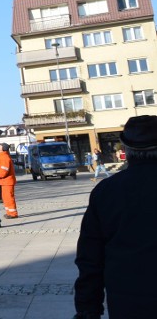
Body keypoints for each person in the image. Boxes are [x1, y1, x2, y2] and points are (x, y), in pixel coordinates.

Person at [74, 115, 157, 318]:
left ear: (126, 151)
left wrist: (87, 309)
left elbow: (90, 255)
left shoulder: (107, 191)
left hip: (130, 299)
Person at [0, 143, 18, 219]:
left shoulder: (4, 157)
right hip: (5, 181)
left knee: (9, 197)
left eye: (0, 146)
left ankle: (13, 213)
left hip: (7, 181)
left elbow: (3, 171)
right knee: (6, 198)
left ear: (3, 148)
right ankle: (9, 212)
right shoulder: (2, 156)